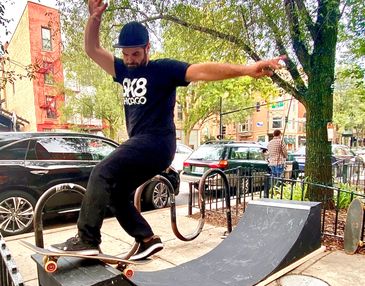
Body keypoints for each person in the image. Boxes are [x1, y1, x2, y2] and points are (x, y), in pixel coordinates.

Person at [49, 0, 286, 260]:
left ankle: (87, 239)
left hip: (157, 142)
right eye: (126, 55)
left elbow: (203, 71)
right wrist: (94, 18)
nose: (130, 60)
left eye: (136, 54)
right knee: (116, 193)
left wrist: (247, 69)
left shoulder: (163, 70)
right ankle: (147, 239)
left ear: (147, 48)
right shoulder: (121, 70)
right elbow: (92, 49)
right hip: (143, 145)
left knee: (101, 172)